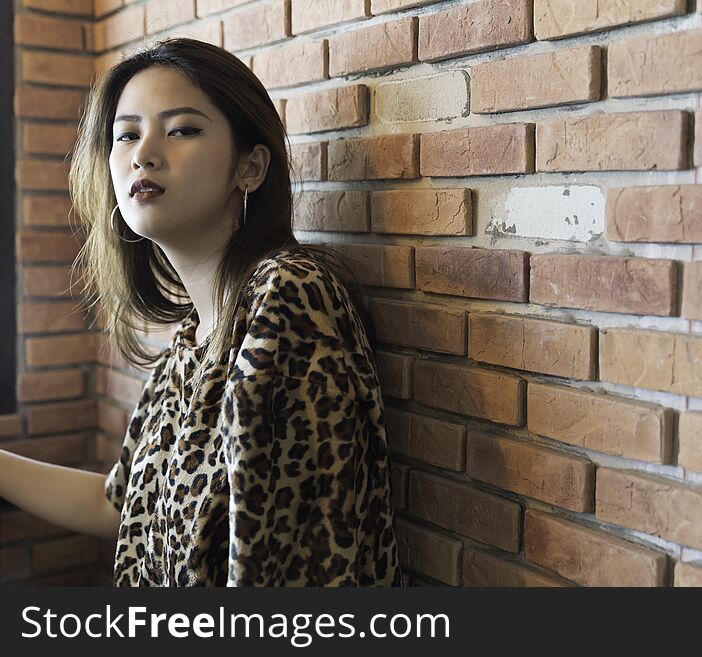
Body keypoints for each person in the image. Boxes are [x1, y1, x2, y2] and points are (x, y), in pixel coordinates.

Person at [0, 37, 401, 586]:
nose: (143, 152)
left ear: (251, 167)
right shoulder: (190, 341)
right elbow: (119, 506)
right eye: (126, 134)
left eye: (182, 128)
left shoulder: (289, 298)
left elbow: (289, 568)